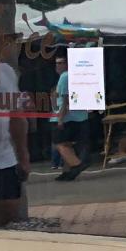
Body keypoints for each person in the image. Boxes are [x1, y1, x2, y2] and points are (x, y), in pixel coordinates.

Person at [0, 33, 30, 227]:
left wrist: (23, 156)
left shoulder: (5, 72)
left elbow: (16, 116)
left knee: (7, 213)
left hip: (3, 158)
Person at [50, 51, 90, 181]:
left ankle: (77, 164)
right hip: (78, 116)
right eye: (57, 63)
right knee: (67, 144)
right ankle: (68, 171)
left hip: (68, 116)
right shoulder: (74, 75)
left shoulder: (65, 77)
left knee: (59, 143)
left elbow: (66, 100)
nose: (58, 66)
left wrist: (60, 118)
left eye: (61, 63)